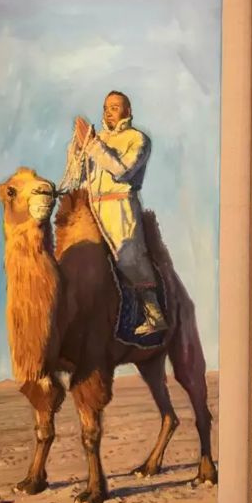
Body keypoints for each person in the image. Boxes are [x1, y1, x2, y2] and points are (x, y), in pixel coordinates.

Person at [59, 91, 167, 336]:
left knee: (128, 258)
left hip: (120, 208)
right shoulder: (97, 139)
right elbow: (78, 178)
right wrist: (77, 150)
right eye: (106, 108)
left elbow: (122, 171)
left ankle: (153, 313)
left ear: (128, 111)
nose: (108, 112)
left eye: (115, 107)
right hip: (92, 208)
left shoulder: (137, 139)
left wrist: (92, 145)